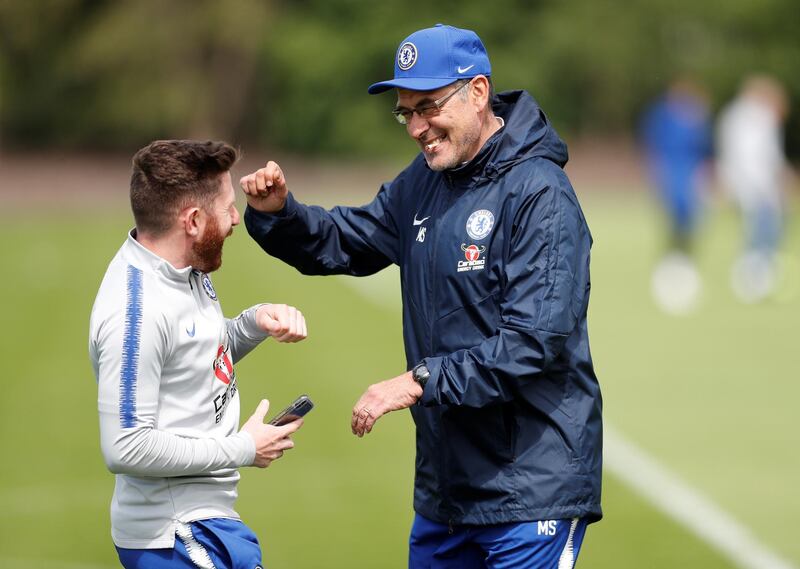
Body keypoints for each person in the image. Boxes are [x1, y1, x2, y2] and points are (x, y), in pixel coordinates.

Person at [241, 24, 602, 569]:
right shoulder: (424, 182)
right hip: (446, 494)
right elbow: (346, 241)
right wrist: (281, 216)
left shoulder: (540, 193)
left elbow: (534, 341)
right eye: (405, 112)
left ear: (478, 93)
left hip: (531, 490)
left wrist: (418, 381)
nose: (416, 127)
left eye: (428, 107)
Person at [89, 140, 308, 568]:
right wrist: (244, 448)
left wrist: (252, 323)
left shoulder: (182, 270)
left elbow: (191, 358)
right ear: (192, 220)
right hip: (175, 535)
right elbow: (125, 447)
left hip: (205, 524)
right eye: (227, 207)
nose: (234, 220)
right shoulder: (136, 310)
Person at [640, 78, 713, 314]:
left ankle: (686, 264)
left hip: (691, 177)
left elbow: (704, 149)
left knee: (692, 223)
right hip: (669, 176)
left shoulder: (696, 117)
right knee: (672, 223)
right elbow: (652, 144)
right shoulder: (662, 115)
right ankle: (670, 266)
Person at [717, 75, 791, 302]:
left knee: (761, 229)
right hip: (757, 184)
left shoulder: (734, 115)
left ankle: (757, 276)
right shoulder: (756, 117)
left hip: (747, 182)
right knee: (762, 230)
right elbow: (760, 156)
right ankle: (755, 278)